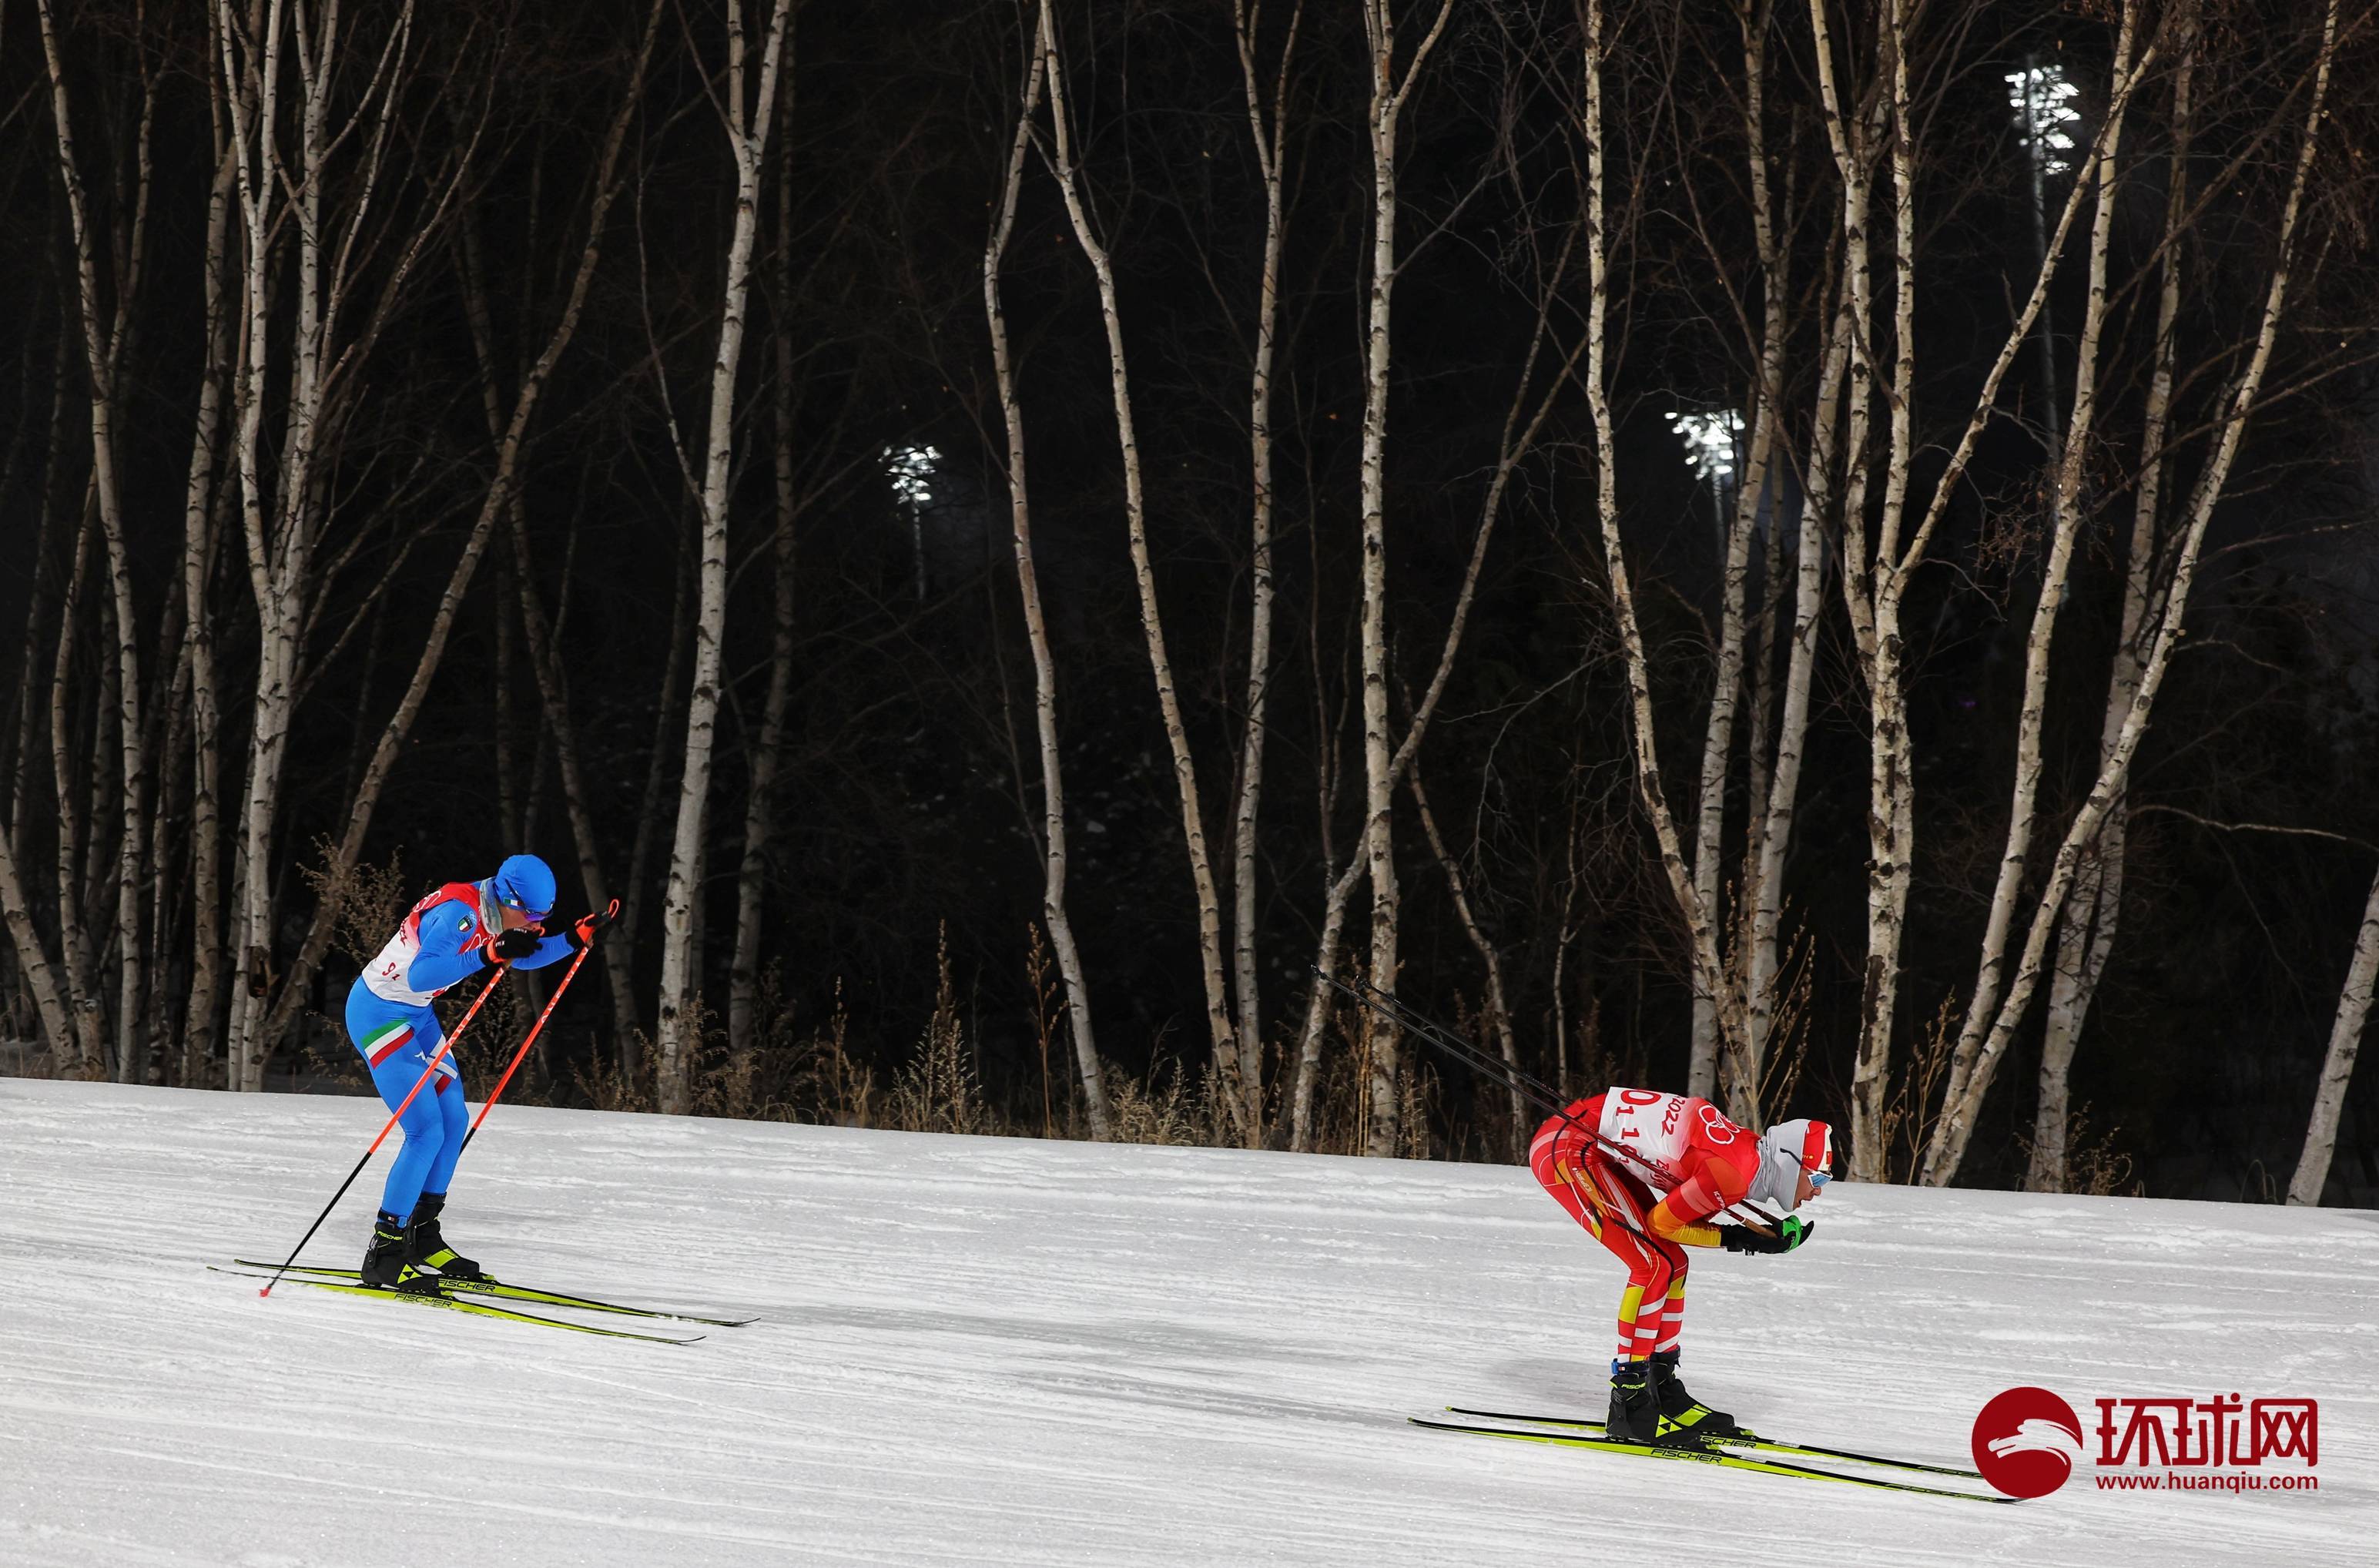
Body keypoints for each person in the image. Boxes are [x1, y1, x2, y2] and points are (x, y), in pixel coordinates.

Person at [347, 854, 605, 1290]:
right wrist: (490, 952)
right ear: (507, 898)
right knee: (424, 1129)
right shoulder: (460, 914)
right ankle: (385, 1252)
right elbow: (423, 972)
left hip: (417, 1015)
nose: (535, 923)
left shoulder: (496, 910)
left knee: (454, 1120)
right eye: (531, 914)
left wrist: (573, 939)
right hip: (379, 1014)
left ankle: (421, 1234)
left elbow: (519, 955)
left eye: (544, 916)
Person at [1529, 1087, 1833, 1445]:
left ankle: (1661, 1387)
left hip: (1589, 1141)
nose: (1817, 1191)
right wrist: (1742, 1239)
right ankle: (1630, 1401)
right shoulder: (1733, 1173)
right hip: (1569, 1147)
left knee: (1673, 1262)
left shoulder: (1747, 1159)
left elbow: (1687, 1215)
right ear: (1788, 1162)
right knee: (1652, 1264)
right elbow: (1663, 1224)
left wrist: (1753, 1236)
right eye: (1816, 1178)